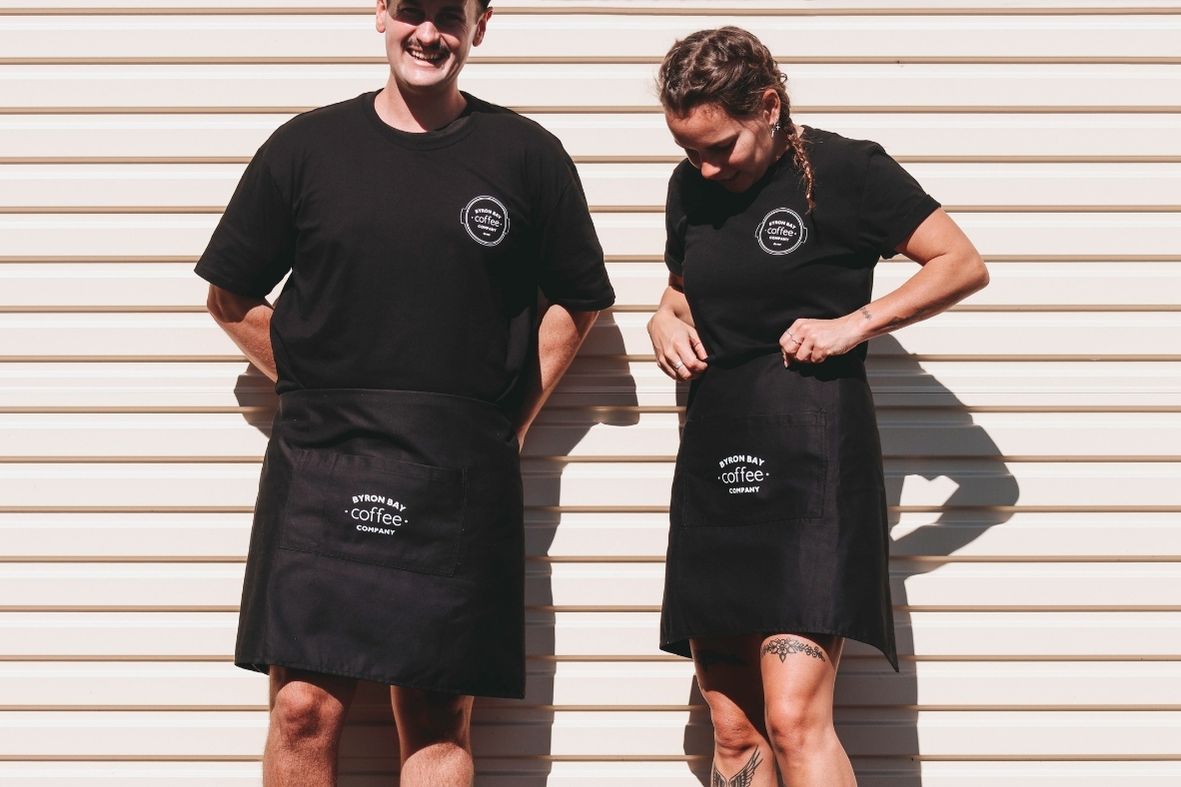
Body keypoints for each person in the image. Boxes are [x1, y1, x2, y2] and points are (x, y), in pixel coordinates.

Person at [195, 1, 615, 784]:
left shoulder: (525, 155)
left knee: (434, 712)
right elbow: (229, 295)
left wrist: (508, 420)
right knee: (301, 709)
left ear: (480, 24)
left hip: (457, 470)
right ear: (381, 13)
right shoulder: (306, 147)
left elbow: (578, 298)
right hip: (322, 459)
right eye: (412, 11)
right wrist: (318, 388)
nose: (429, 34)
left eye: (449, 16)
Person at [647, 27, 988, 786]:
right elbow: (681, 290)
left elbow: (961, 263)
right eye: (686, 148)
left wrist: (855, 323)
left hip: (813, 459)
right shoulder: (689, 187)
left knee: (794, 719)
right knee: (732, 732)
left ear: (767, 106)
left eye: (719, 146)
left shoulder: (846, 171)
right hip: (714, 457)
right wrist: (662, 320)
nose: (702, 165)